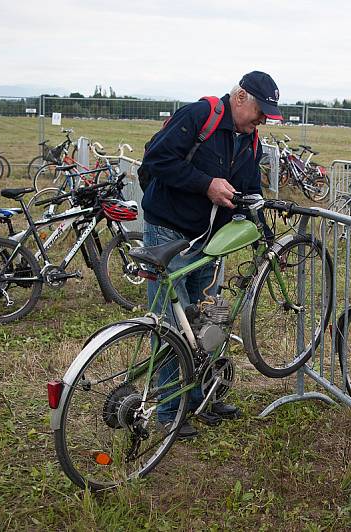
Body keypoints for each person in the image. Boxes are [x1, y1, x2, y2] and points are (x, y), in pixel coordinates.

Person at [141, 71, 283, 438]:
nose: (262, 120)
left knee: (209, 320)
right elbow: (157, 159)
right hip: (167, 231)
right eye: (260, 110)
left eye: (269, 114)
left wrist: (263, 229)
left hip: (211, 240)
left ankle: (204, 395)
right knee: (174, 325)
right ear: (239, 97)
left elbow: (248, 192)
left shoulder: (250, 142)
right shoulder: (199, 116)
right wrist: (205, 185)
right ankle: (171, 411)